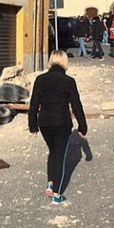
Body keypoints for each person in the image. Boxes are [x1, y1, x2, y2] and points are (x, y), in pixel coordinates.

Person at [29, 50, 88, 206]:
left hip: (44, 123)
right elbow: (76, 105)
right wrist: (82, 126)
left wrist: (32, 126)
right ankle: (57, 195)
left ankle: (50, 184)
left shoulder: (40, 79)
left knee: (53, 152)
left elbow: (34, 104)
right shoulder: (69, 81)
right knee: (60, 156)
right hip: (62, 122)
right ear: (64, 62)